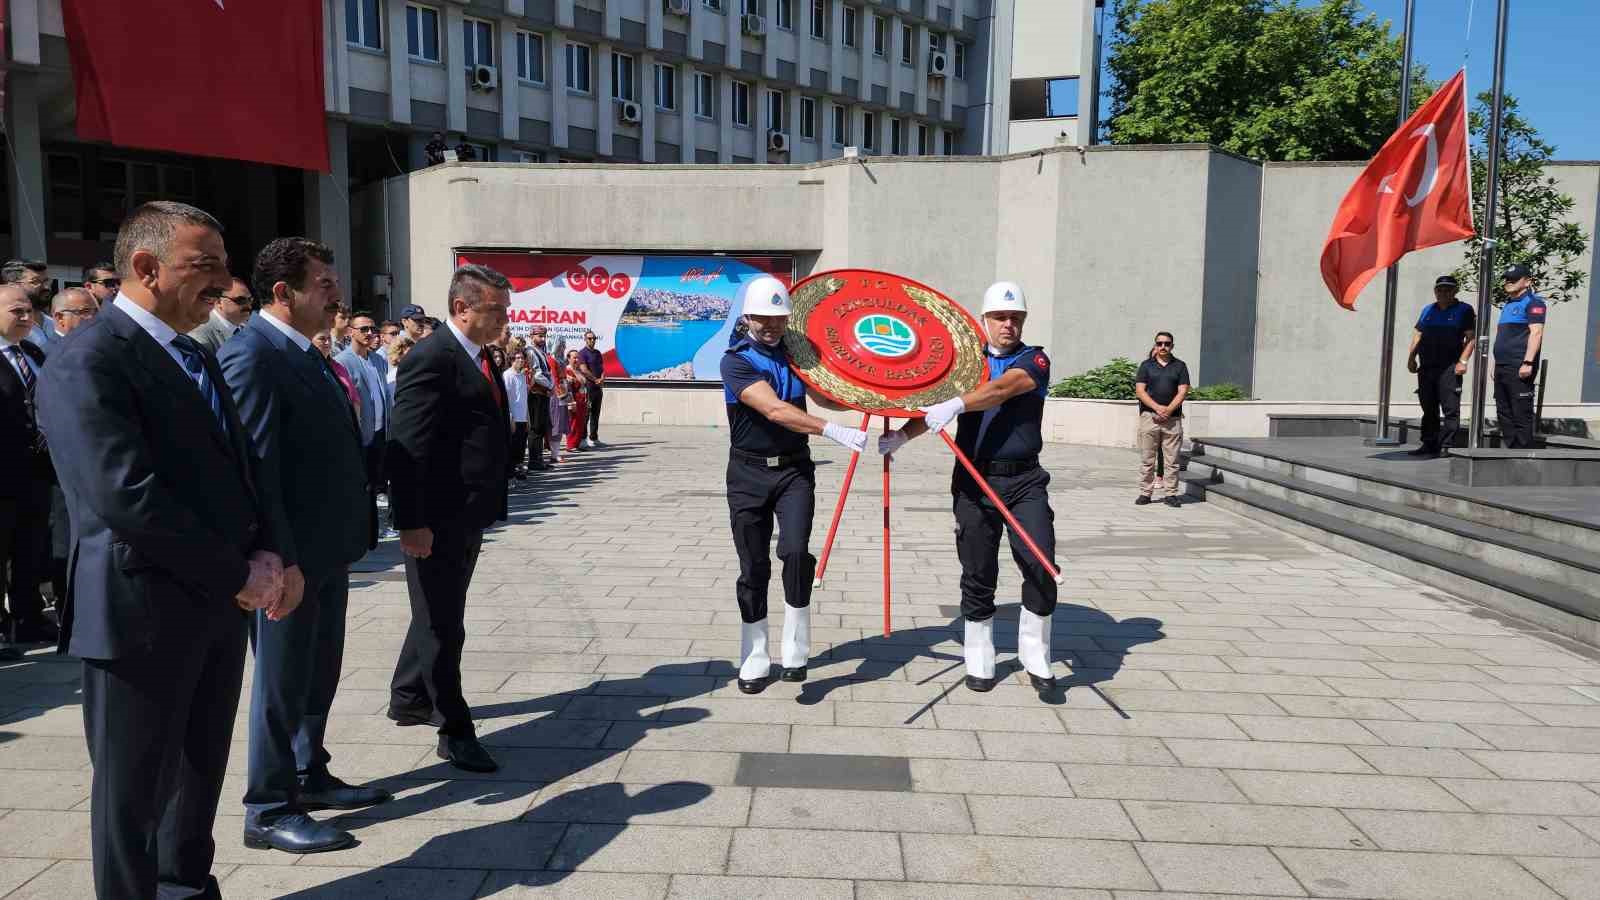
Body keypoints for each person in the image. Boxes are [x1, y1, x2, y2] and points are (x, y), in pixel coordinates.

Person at [37, 201, 286, 898]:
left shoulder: (193, 353)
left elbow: (238, 470)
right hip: (139, 615)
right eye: (206, 266)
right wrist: (238, 569)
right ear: (146, 268)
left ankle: (186, 888)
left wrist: (268, 553)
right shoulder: (89, 358)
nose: (224, 282)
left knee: (198, 778)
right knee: (134, 800)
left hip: (213, 606)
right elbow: (126, 496)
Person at [216, 236, 387, 855]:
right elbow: (255, 467)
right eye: (324, 284)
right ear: (282, 292)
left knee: (318, 673)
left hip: (326, 551)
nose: (337, 294)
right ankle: (267, 806)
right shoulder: (254, 354)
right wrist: (277, 557)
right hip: (288, 561)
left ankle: (308, 772)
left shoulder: (309, 354)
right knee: (281, 682)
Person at [878, 280, 1059, 696]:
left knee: (1041, 562)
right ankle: (980, 656)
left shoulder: (1035, 361)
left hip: (1024, 482)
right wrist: (904, 436)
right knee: (978, 570)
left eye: (1015, 318)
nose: (1008, 325)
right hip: (973, 480)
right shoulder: (964, 365)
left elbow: (1001, 390)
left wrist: (957, 403)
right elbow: (936, 407)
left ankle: (1036, 655)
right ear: (984, 321)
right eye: (1000, 317)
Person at [386, 264, 512, 773]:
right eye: (495, 309)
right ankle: (454, 728)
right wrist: (410, 520)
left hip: (466, 512)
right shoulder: (432, 358)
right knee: (444, 622)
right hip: (436, 516)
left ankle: (409, 694)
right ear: (462, 308)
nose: (505, 319)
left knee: (438, 608)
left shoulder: (478, 354)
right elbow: (407, 444)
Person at [720, 275, 867, 694]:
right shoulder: (736, 360)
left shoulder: (799, 354)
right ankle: (754, 657)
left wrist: (870, 395)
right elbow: (774, 410)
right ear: (748, 317)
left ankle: (796, 650)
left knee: (797, 553)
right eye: (763, 318)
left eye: (779, 318)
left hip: (794, 472)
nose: (771, 325)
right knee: (753, 566)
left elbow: (830, 394)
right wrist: (833, 431)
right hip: (747, 474)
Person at [0, 285, 56, 654]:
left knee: (31, 549)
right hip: (2, 475)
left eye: (29, 311)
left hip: (37, 474)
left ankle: (28, 618)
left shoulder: (34, 352)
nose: (27, 318)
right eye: (17, 311)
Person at [1406, 275, 1477, 457]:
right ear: (1435, 291)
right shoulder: (1428, 310)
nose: (1443, 293)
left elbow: (1471, 338)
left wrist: (1463, 361)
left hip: (1449, 367)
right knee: (1428, 407)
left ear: (1455, 291)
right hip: (1427, 366)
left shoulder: (1464, 310)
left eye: (1448, 289)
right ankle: (1428, 444)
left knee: (1450, 407)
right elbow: (1417, 334)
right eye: (1439, 289)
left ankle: (1447, 445)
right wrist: (1411, 357)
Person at [337, 313, 391, 524]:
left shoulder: (378, 359)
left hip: (379, 431)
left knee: (377, 481)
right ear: (351, 332)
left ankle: (373, 526)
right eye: (364, 329)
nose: (370, 333)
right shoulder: (344, 361)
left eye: (373, 329)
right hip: (360, 434)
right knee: (362, 483)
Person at [1492, 263, 1547, 449]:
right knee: (1503, 410)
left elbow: (1536, 333)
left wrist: (1528, 362)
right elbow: (1503, 337)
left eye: (1513, 279)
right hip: (1502, 365)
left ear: (1527, 281)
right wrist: (1495, 363)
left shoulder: (1534, 303)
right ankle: (1512, 450)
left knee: (1520, 410)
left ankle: (1523, 453)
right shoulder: (1508, 304)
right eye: (1507, 279)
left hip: (1520, 365)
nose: (1508, 282)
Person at [1134, 331, 1190, 507]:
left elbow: (1183, 391)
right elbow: (1140, 391)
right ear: (1155, 345)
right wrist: (1157, 408)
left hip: (1172, 420)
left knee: (1172, 461)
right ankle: (1145, 493)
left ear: (1172, 346)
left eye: (1167, 343)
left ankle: (1171, 494)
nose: (1163, 347)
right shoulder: (1146, 366)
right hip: (1149, 417)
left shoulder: (1180, 366)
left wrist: (1168, 410)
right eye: (1159, 343)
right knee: (1147, 458)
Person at [189, 275, 253, 352]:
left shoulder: (247, 328)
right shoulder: (201, 334)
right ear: (219, 302)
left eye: (250, 300)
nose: (248, 305)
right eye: (240, 300)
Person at [4, 259, 56, 353]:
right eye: (35, 282)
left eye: (46, 281)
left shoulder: (54, 324)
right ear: (12, 286)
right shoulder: (7, 327)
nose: (46, 287)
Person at [525, 327, 556, 469]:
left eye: (544, 336)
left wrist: (551, 386)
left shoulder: (541, 352)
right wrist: (550, 386)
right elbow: (537, 375)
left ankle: (539, 460)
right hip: (536, 394)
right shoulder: (530, 351)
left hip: (543, 393)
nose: (543, 339)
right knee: (536, 428)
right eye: (540, 336)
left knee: (542, 427)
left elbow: (547, 372)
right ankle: (534, 462)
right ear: (532, 336)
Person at [316, 330, 362, 415]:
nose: (327, 342)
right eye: (322, 339)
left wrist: (356, 424)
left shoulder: (338, 366)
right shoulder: (309, 365)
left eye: (329, 338)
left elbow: (354, 398)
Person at [504, 351, 532, 479]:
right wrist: (511, 417)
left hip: (523, 416)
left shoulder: (522, 375)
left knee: (521, 445)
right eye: (517, 358)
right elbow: (507, 398)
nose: (520, 360)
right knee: (513, 446)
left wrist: (527, 418)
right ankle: (511, 472)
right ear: (512, 360)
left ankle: (519, 468)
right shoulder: (508, 375)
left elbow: (524, 398)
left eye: (522, 358)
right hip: (513, 417)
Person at [577, 329, 606, 447]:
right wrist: (595, 380)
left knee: (596, 413)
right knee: (586, 414)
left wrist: (602, 378)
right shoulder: (582, 353)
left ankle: (594, 437)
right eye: (589, 338)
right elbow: (584, 370)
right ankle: (583, 439)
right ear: (585, 340)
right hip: (589, 387)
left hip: (598, 388)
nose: (592, 340)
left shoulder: (598, 353)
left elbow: (602, 368)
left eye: (594, 338)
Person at [564, 348, 589, 452]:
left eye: (578, 358)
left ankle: (577, 443)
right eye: (574, 358)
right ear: (568, 359)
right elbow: (567, 388)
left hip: (582, 400)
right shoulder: (567, 371)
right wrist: (570, 401)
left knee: (580, 423)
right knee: (573, 423)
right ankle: (571, 445)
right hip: (574, 400)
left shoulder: (578, 370)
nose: (576, 360)